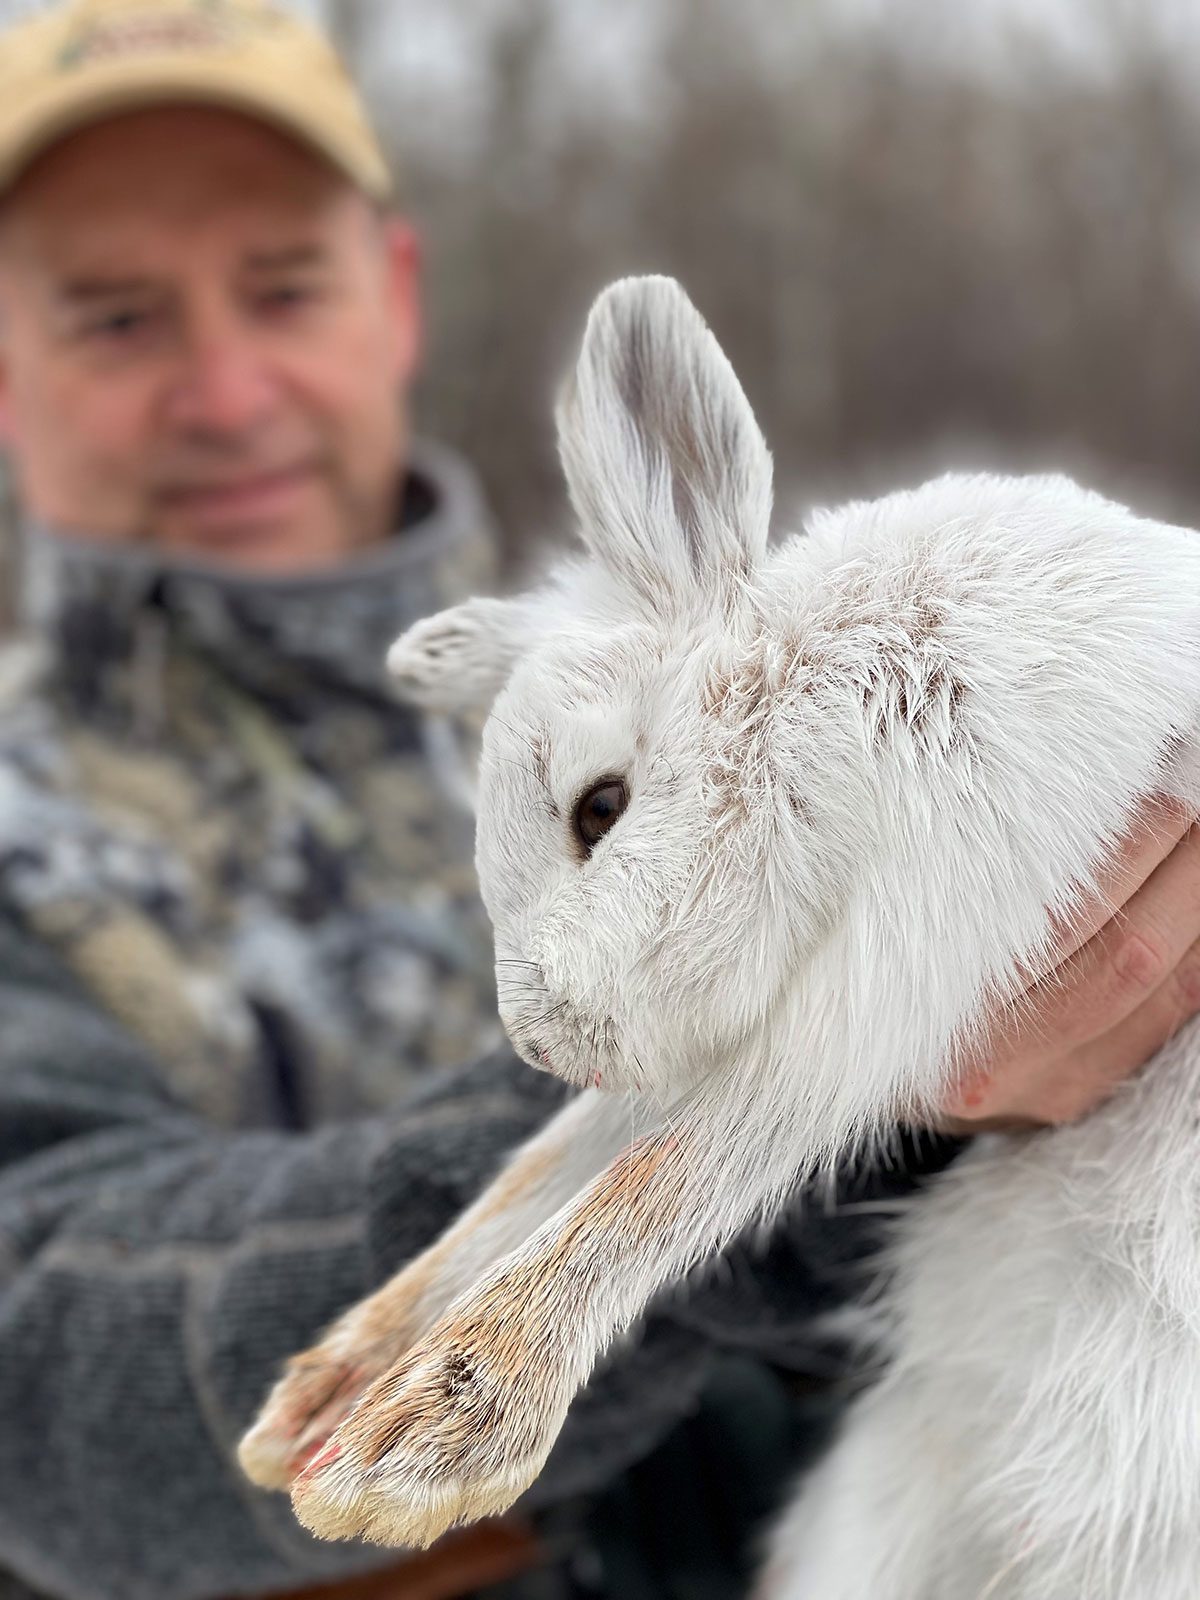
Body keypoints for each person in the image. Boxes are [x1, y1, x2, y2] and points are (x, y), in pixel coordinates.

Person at [0, 3, 1198, 1599]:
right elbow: (46, 1368)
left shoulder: (647, 665)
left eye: (283, 287)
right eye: (116, 318)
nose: (227, 389)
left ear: (396, 291)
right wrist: (825, 1084)